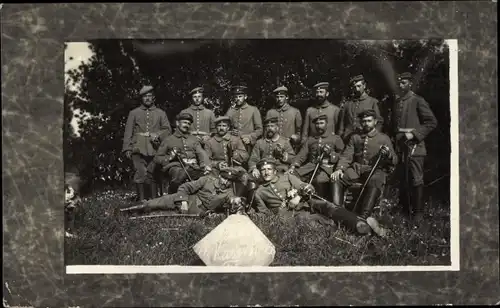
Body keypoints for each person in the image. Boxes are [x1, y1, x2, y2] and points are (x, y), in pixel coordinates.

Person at [253, 158, 388, 236]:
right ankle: (361, 231)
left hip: (306, 202)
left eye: (269, 169)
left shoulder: (287, 177)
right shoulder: (259, 191)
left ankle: (359, 223)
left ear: (275, 171)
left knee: (329, 206)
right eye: (263, 170)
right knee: (314, 220)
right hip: (291, 215)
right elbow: (264, 213)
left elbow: (306, 187)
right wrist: (279, 212)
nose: (266, 172)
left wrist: (299, 195)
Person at [331, 109, 398, 220]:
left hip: (375, 170)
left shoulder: (383, 138)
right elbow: (347, 155)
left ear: (375, 122)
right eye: (364, 121)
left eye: (369, 121)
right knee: (336, 178)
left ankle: (363, 217)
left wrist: (388, 155)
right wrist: (339, 169)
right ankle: (338, 212)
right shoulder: (355, 137)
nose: (366, 123)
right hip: (357, 169)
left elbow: (395, 159)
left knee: (375, 180)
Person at [393, 72, 438, 222]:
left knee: (416, 179)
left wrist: (415, 135)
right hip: (401, 146)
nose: (400, 86)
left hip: (415, 146)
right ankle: (405, 210)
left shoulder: (418, 100)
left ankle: (418, 214)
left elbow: (431, 122)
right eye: (399, 83)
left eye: (404, 83)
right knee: (403, 178)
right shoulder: (398, 102)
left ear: (410, 84)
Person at [121, 167, 247, 216]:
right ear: (219, 176)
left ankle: (141, 215)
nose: (225, 182)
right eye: (224, 178)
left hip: (197, 211)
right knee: (152, 203)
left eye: (229, 180)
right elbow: (184, 187)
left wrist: (237, 203)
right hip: (185, 199)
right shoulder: (206, 180)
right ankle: (126, 210)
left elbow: (231, 202)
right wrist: (183, 201)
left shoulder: (229, 192)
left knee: (160, 215)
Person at [122, 85, 172, 201]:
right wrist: (127, 148)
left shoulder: (161, 113)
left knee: (153, 173)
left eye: (150, 96)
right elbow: (128, 132)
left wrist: (158, 134)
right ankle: (141, 200)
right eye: (145, 97)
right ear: (141, 99)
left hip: (154, 148)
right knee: (140, 172)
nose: (148, 99)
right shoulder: (134, 113)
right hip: (137, 147)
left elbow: (167, 130)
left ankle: (154, 200)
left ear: (153, 98)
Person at [289, 114, 344, 201]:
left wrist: (330, 154)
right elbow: (302, 154)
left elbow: (342, 155)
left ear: (327, 124)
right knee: (293, 174)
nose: (319, 126)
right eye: (317, 124)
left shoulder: (335, 138)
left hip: (326, 167)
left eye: (321, 123)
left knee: (319, 180)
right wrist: (294, 165)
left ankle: (319, 201)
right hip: (311, 165)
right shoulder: (311, 139)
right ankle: (297, 198)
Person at [153, 112, 211, 193]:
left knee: (205, 177)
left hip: (193, 167)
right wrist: (170, 157)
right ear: (177, 123)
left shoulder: (193, 139)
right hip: (175, 167)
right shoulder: (168, 140)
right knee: (179, 174)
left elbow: (201, 153)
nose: (186, 125)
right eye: (184, 122)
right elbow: (157, 158)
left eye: (188, 123)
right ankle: (174, 195)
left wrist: (205, 165)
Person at [248, 112, 296, 179]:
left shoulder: (284, 142)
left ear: (277, 128)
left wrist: (282, 155)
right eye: (267, 126)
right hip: (263, 171)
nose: (269, 128)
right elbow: (253, 159)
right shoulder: (260, 142)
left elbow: (292, 159)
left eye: (272, 126)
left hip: (280, 171)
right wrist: (254, 169)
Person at [338, 74, 383, 142]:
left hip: (365, 137)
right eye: (354, 87)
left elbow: (379, 122)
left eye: (359, 86)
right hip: (347, 138)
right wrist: (340, 136)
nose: (357, 89)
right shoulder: (347, 104)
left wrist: (374, 136)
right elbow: (342, 123)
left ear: (364, 86)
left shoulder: (373, 102)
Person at [225, 85, 263, 151]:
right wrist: (230, 132)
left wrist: (250, 137)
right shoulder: (230, 111)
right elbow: (224, 126)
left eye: (240, 96)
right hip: (233, 143)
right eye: (236, 97)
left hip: (248, 144)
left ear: (245, 97)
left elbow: (260, 130)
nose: (238, 99)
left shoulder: (253, 110)